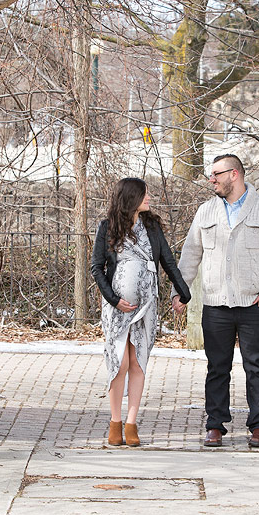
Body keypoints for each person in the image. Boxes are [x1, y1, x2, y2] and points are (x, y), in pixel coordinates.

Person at [175, 154, 259, 449]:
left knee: (257, 367)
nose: (211, 179)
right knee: (217, 368)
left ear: (234, 174)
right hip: (215, 306)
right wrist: (181, 291)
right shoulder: (206, 212)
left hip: (254, 305)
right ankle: (215, 425)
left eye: (216, 174)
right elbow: (190, 255)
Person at [91, 177, 191, 448]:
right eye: (145, 194)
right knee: (119, 362)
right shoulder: (107, 227)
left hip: (146, 306)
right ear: (131, 198)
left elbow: (167, 261)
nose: (150, 198)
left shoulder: (152, 227)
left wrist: (184, 292)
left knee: (138, 363)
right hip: (117, 308)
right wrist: (114, 299)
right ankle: (114, 422)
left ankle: (131, 423)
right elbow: (97, 268)